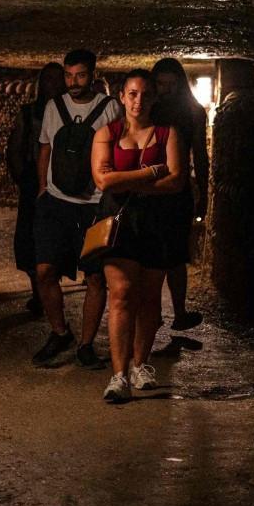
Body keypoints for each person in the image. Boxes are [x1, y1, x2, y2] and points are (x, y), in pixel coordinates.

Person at [91, 69, 187, 401]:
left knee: (149, 299)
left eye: (145, 94)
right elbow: (103, 183)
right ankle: (119, 376)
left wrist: (123, 178)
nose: (138, 100)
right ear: (122, 96)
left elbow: (177, 181)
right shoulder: (106, 133)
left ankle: (140, 364)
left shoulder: (167, 133)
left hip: (157, 224)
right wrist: (148, 174)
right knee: (121, 293)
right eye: (132, 93)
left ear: (154, 98)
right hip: (119, 224)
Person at [31, 48, 121, 368]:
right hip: (56, 202)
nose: (73, 82)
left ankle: (85, 345)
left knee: (94, 278)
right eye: (69, 75)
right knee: (44, 271)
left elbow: (121, 151)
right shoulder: (54, 107)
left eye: (80, 75)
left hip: (94, 205)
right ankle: (60, 332)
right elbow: (45, 146)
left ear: (92, 75)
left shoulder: (111, 109)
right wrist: (43, 187)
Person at [150, 57, 209, 331]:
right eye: (161, 84)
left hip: (177, 192)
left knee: (175, 255)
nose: (166, 90)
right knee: (151, 255)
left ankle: (179, 312)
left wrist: (203, 193)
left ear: (180, 84)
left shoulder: (194, 112)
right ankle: (154, 313)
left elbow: (200, 154)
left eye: (171, 84)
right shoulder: (147, 110)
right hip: (149, 189)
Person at [5, 62, 65, 314]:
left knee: (57, 239)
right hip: (33, 184)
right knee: (30, 238)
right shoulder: (29, 114)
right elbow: (15, 148)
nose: (52, 84)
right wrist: (23, 178)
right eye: (48, 80)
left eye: (56, 80)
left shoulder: (70, 113)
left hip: (62, 183)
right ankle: (38, 292)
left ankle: (49, 289)